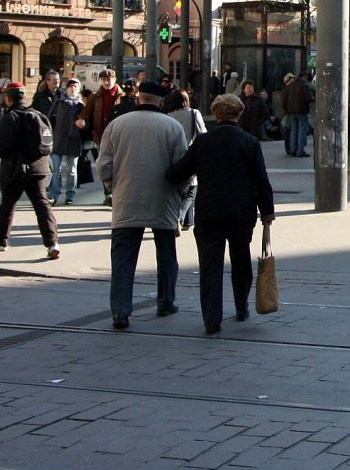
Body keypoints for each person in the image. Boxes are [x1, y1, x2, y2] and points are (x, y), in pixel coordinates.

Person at [167, 92, 276, 335]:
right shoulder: (249, 142)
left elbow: (178, 173)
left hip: (209, 211)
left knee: (210, 266)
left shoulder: (203, 142)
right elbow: (261, 180)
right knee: (241, 260)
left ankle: (211, 319)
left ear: (216, 114)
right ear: (239, 113)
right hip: (241, 212)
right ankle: (241, 306)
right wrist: (267, 212)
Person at [97, 80, 187, 329]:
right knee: (166, 255)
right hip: (163, 199)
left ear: (139, 98)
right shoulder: (172, 126)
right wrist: (180, 193)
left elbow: (103, 165)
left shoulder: (116, 125)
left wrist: (113, 186)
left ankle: (120, 311)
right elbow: (181, 166)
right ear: (160, 101)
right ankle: (166, 301)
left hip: (127, 199)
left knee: (123, 259)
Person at [0, 81, 60, 259]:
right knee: (42, 205)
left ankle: (1, 240)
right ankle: (52, 244)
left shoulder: (10, 117)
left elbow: (3, 146)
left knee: (7, 205)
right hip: (38, 168)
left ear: (8, 98)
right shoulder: (39, 116)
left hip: (15, 169)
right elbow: (48, 144)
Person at [76, 68, 123, 205]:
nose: (106, 82)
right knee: (104, 165)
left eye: (109, 79)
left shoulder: (122, 96)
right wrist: (81, 121)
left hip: (120, 136)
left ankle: (118, 193)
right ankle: (108, 193)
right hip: (101, 136)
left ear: (115, 79)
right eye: (103, 80)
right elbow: (85, 113)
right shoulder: (95, 96)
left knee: (119, 165)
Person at [165, 88, 207, 230]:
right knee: (191, 191)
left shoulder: (168, 116)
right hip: (190, 154)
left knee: (177, 187)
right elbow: (202, 134)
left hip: (171, 156)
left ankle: (188, 220)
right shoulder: (194, 113)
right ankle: (180, 217)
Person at [48, 77, 85, 206]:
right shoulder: (59, 102)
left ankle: (70, 195)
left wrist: (83, 126)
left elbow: (87, 124)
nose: (73, 88)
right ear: (67, 88)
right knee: (55, 170)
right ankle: (53, 195)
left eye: (75, 86)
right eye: (70, 86)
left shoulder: (82, 106)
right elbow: (49, 120)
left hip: (74, 140)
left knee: (71, 170)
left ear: (79, 89)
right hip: (59, 139)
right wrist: (50, 136)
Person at [280, 71, 312, 158]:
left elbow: (284, 101)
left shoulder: (289, 87)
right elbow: (308, 98)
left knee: (293, 131)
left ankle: (293, 150)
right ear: (304, 77)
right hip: (302, 111)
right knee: (302, 131)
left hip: (291, 112)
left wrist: (287, 110)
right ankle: (300, 151)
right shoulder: (303, 86)